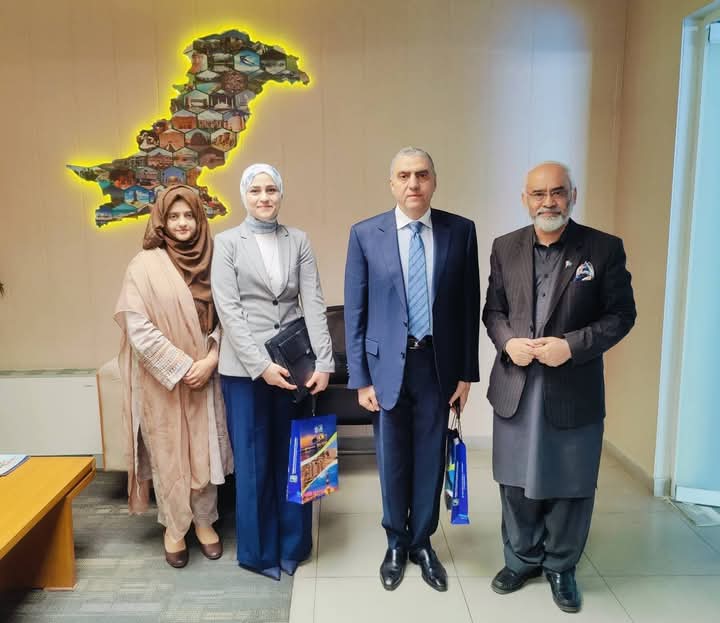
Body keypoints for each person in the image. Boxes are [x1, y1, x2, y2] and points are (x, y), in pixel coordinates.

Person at [483, 162, 636, 613]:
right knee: (515, 480)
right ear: (524, 199)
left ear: (573, 194)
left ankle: (561, 566)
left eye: (557, 192)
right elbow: (493, 311)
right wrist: (508, 342)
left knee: (570, 481)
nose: (548, 202)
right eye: (538, 194)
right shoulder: (504, 246)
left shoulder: (603, 249)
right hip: (515, 384)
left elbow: (621, 315)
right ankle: (521, 559)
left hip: (573, 385)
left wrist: (571, 346)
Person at [344, 147, 480, 592]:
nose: (413, 183)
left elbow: (468, 307)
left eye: (421, 174)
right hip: (386, 368)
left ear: (434, 181)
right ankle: (395, 543)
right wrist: (360, 378)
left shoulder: (461, 231)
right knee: (392, 459)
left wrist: (466, 374)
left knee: (430, 457)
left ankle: (422, 542)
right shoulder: (366, 234)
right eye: (403, 176)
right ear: (391, 184)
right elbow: (356, 313)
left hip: (437, 366)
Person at [211, 163, 334, 581]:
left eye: (271, 190)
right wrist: (261, 366)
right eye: (256, 190)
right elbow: (228, 311)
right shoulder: (227, 243)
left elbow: (313, 302)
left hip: (296, 364)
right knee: (253, 461)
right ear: (244, 195)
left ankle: (294, 546)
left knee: (301, 455)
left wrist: (324, 362)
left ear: (281, 194)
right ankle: (259, 552)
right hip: (244, 372)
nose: (264, 197)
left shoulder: (299, 239)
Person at [115, 184, 233, 569]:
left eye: (189, 216)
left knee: (205, 449)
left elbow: (231, 315)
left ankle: (204, 521)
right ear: (161, 221)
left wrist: (211, 359)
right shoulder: (143, 265)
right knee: (169, 451)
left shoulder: (216, 260)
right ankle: (174, 527)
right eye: (173, 216)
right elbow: (137, 326)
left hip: (207, 373)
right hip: (164, 378)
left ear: (200, 219)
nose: (182, 223)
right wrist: (182, 367)